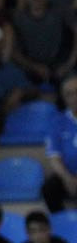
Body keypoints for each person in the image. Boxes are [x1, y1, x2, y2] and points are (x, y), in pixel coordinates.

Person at [12, 0, 77, 86]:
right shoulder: (18, 17)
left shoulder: (62, 10)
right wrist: (33, 66)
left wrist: (68, 65)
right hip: (30, 70)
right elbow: (13, 51)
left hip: (62, 68)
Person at [44, 74, 77, 214]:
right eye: (69, 94)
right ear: (64, 98)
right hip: (68, 174)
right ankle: (62, 224)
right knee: (49, 188)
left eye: (76, 92)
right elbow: (54, 157)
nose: (74, 97)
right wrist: (67, 178)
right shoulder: (57, 122)